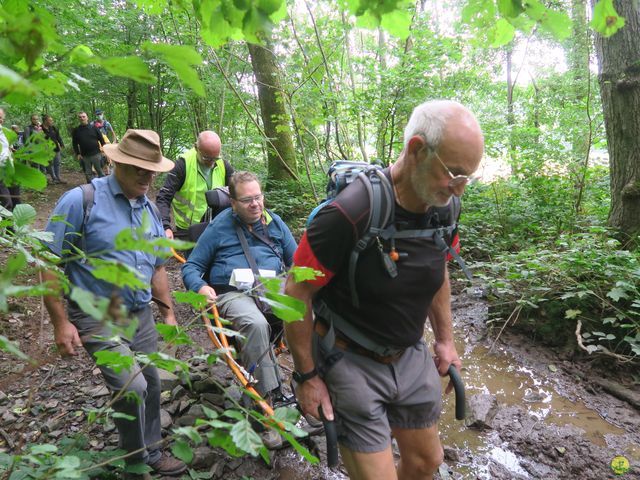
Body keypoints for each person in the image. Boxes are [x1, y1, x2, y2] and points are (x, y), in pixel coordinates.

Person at [284, 100, 484, 480]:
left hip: (409, 355)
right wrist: (307, 378)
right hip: (349, 360)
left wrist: (445, 340)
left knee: (428, 463)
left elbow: (439, 268)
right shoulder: (348, 212)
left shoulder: (445, 208)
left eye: (467, 179)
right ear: (416, 149)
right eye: (454, 174)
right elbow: (295, 292)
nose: (459, 189)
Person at [42, 129, 187, 479]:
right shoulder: (81, 200)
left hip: (140, 314)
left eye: (152, 170)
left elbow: (156, 266)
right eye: (139, 169)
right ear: (116, 162)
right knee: (132, 386)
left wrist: (167, 311)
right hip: (96, 313)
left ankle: (151, 451)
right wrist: (61, 324)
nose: (148, 177)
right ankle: (135, 461)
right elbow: (47, 262)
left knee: (151, 383)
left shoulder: (150, 209)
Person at [181, 171, 297, 448]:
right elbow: (191, 266)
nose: (255, 204)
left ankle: (312, 392)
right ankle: (266, 408)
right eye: (247, 200)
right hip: (233, 292)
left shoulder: (275, 223)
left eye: (258, 197)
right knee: (256, 324)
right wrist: (200, 287)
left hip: (273, 288)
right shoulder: (219, 228)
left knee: (309, 317)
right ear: (232, 202)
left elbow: (298, 262)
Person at [156, 130, 234, 241]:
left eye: (215, 158)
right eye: (207, 158)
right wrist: (165, 226)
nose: (212, 162)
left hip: (215, 226)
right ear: (196, 148)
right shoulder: (182, 165)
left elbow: (237, 192)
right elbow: (163, 197)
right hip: (188, 230)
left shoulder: (223, 164)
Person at [72, 111, 105, 182]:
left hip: (96, 154)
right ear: (78, 119)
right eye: (80, 117)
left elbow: (102, 140)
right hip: (85, 156)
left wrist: (105, 150)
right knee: (88, 174)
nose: (82, 118)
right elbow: (74, 143)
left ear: (87, 118)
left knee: (100, 172)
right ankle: (91, 187)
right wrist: (78, 154)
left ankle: (103, 186)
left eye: (84, 117)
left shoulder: (94, 128)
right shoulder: (76, 130)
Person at [0, 108, 21, 211]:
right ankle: (8, 227)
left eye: (1, 117)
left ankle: (18, 224)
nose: (0, 120)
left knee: (16, 199)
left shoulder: (6, 132)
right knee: (6, 202)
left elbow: (9, 148)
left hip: (10, 169)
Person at [42, 114, 66, 184]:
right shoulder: (40, 129)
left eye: (52, 120)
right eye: (50, 120)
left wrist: (61, 144)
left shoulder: (53, 128)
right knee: (50, 164)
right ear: (45, 121)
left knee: (57, 163)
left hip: (56, 149)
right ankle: (54, 178)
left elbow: (58, 137)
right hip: (47, 150)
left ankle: (58, 177)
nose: (52, 121)